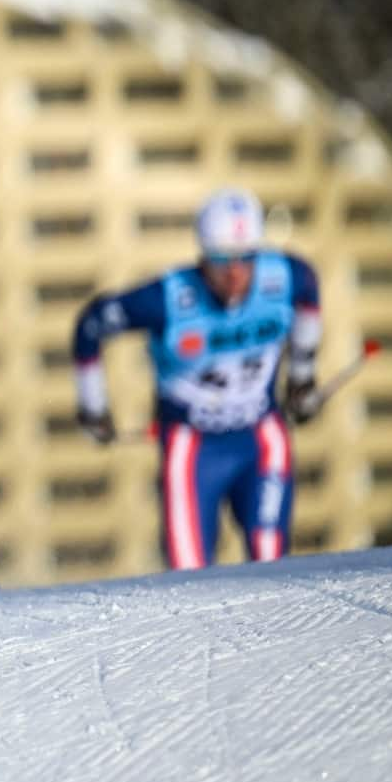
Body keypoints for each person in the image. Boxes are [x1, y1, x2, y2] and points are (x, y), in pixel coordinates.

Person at [72, 189, 323, 569]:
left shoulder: (286, 276)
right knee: (190, 575)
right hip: (193, 446)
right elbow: (90, 325)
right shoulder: (169, 298)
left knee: (273, 564)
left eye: (245, 258)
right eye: (222, 260)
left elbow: (310, 295)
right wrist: (93, 408)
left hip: (259, 436)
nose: (235, 273)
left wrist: (302, 378)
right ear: (203, 255)